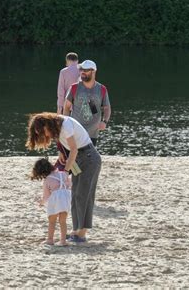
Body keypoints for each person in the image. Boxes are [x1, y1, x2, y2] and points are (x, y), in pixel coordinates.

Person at [26, 112, 102, 243]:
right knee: (75, 195)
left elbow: (74, 149)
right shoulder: (56, 126)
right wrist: (61, 151)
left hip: (89, 158)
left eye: (42, 131)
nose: (44, 135)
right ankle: (76, 230)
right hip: (79, 159)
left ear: (46, 124)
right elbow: (65, 145)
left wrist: (66, 171)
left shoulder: (64, 125)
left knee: (83, 196)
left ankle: (81, 233)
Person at [63, 60, 111, 147]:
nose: (82, 72)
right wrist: (66, 124)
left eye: (85, 70)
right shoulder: (74, 88)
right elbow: (66, 107)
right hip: (76, 131)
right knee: (76, 156)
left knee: (90, 158)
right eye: (81, 70)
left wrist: (104, 121)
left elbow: (107, 107)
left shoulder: (101, 89)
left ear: (93, 71)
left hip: (93, 133)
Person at [31, 157, 71, 246]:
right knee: (63, 220)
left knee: (52, 220)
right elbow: (69, 184)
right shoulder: (63, 173)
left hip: (55, 199)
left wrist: (41, 202)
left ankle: (50, 239)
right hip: (66, 198)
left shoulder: (47, 180)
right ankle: (63, 240)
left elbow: (46, 196)